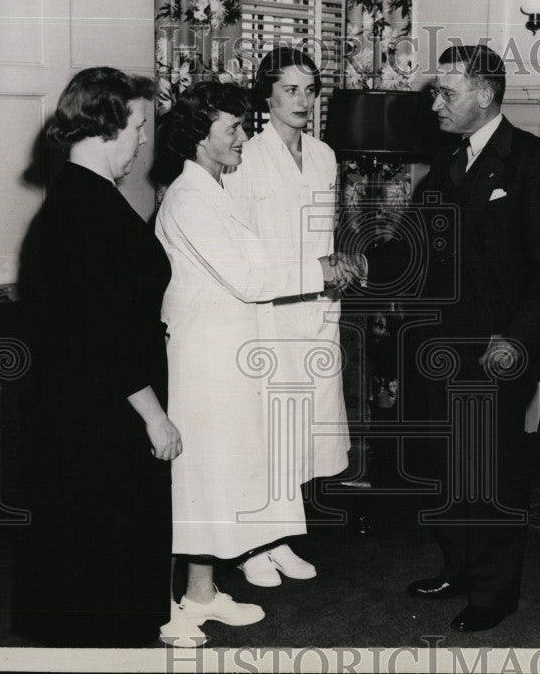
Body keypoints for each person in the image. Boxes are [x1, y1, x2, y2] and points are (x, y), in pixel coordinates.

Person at [154, 81, 362, 638]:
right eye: (232, 129)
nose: (244, 136)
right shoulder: (188, 196)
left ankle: (202, 592)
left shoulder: (213, 189)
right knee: (202, 477)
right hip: (204, 357)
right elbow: (248, 277)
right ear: (200, 138)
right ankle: (192, 599)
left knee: (220, 476)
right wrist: (320, 269)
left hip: (230, 353)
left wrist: (317, 262)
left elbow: (259, 258)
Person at [404, 45, 540, 632]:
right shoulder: (446, 155)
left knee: (494, 473)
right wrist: (347, 263)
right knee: (450, 467)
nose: (435, 104)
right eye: (435, 92)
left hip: (501, 348)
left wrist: (518, 342)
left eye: (445, 93)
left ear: (484, 94)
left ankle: (495, 592)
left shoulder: (534, 160)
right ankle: (460, 568)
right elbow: (410, 245)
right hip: (441, 344)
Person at [13, 67, 183, 647]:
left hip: (97, 406)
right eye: (138, 126)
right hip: (106, 413)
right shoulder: (84, 211)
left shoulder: (83, 199)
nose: (142, 140)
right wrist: (154, 416)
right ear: (109, 126)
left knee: (95, 558)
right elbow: (100, 333)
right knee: (105, 561)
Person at [222, 47, 354, 582]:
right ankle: (253, 545)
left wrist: (337, 270)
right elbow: (240, 244)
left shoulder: (324, 155)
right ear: (267, 96)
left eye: (309, 90)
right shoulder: (243, 158)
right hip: (269, 310)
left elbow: (324, 231)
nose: (302, 101)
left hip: (318, 311)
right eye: (290, 90)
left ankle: (281, 538)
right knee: (265, 429)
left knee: (301, 431)